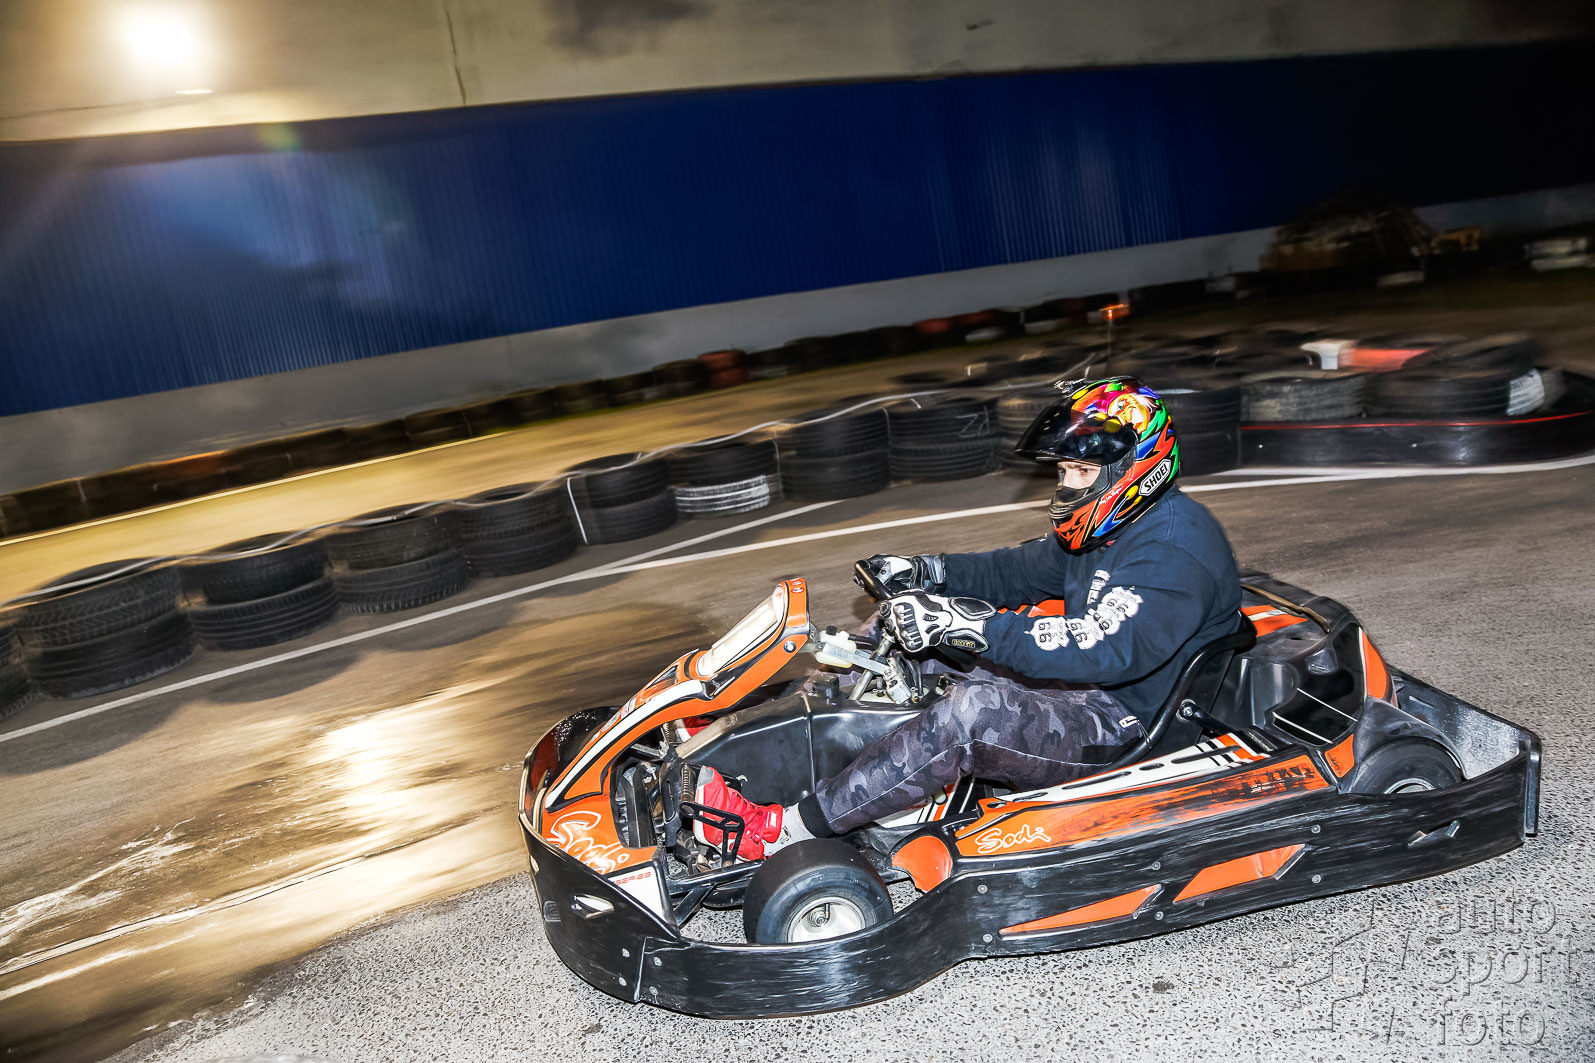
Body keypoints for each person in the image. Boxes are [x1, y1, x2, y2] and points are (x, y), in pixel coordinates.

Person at [697, 377, 1242, 859]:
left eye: (1081, 471)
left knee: (972, 715)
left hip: (1121, 723)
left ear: (1136, 467)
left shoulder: (1174, 550)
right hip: (1081, 685)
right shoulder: (1111, 528)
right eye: (1063, 470)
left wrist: (971, 626)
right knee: (895, 629)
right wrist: (927, 572)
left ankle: (782, 833)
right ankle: (763, 744)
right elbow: (1016, 571)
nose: (1068, 485)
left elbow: (1100, 648)